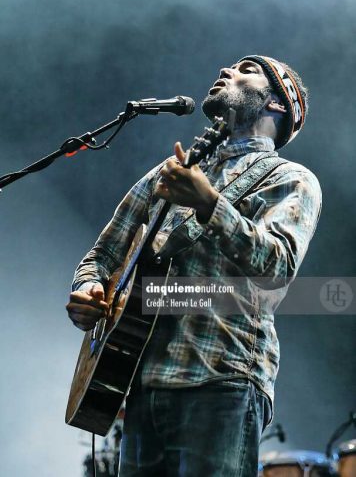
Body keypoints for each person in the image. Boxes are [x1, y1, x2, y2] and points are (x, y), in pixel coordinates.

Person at [66, 55, 322, 477]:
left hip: (222, 377)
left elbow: (276, 267)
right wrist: (90, 289)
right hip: (141, 380)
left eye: (247, 69)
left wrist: (210, 204)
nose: (226, 71)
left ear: (278, 102)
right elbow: (102, 255)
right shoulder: (169, 175)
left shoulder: (290, 178)